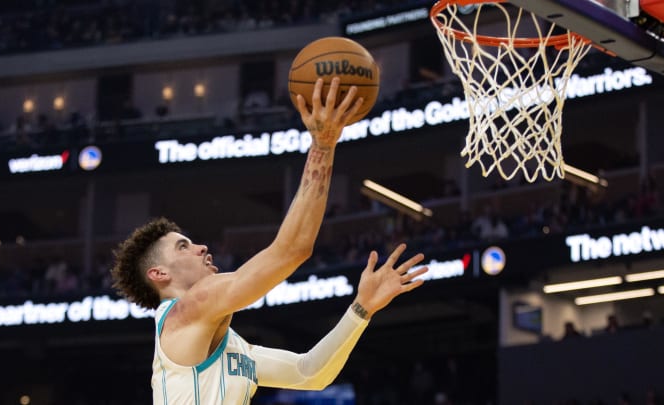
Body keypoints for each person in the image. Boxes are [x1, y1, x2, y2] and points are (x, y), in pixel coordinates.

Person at [110, 77, 430, 404]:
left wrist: (361, 310)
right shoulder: (187, 309)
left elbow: (311, 373)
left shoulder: (231, 346)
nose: (201, 247)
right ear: (159, 274)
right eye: (183, 246)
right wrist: (322, 145)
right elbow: (292, 250)